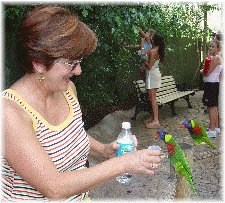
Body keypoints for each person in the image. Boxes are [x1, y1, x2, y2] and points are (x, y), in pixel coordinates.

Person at [2, 6, 162, 201]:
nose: (78, 71)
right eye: (71, 63)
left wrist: (104, 150)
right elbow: (54, 188)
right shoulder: (9, 113)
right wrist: (123, 164)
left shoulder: (67, 91)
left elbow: (72, 134)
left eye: (79, 62)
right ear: (39, 62)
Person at [200, 39, 223, 138]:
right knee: (213, 106)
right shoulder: (213, 57)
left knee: (211, 107)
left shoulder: (216, 58)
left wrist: (201, 71)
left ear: (218, 48)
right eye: (210, 46)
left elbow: (207, 72)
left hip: (212, 84)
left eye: (213, 46)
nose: (210, 48)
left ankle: (212, 129)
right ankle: (216, 127)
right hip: (211, 84)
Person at [143, 33, 165, 129]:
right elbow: (144, 51)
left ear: (155, 40)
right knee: (153, 98)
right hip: (156, 73)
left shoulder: (153, 51)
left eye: (152, 39)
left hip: (151, 75)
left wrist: (143, 60)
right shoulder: (158, 49)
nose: (151, 40)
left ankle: (156, 121)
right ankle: (152, 117)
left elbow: (149, 66)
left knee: (152, 99)